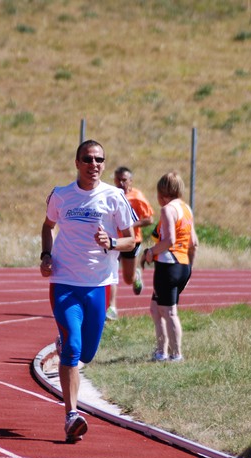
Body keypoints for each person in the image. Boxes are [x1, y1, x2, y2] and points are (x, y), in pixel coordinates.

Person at [40, 140, 136, 442]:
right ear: (77, 162)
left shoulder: (114, 196)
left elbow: (131, 240)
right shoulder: (61, 195)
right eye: (87, 159)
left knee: (88, 353)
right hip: (65, 282)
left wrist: (111, 242)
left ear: (104, 164)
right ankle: (71, 415)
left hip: (99, 285)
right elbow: (47, 226)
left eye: (99, 160)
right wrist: (46, 256)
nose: (93, 165)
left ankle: (65, 342)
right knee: (73, 347)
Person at [141, 171, 198, 362]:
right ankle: (161, 351)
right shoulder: (186, 208)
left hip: (168, 265)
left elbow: (169, 240)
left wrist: (151, 252)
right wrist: (189, 269)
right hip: (182, 265)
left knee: (169, 312)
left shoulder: (167, 210)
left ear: (162, 194)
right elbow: (194, 243)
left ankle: (176, 354)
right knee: (156, 308)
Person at [106, 166, 154, 321]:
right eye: (118, 179)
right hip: (112, 240)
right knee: (110, 272)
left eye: (124, 180)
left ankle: (136, 276)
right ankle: (112, 307)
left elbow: (149, 219)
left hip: (131, 241)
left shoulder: (137, 197)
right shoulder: (110, 194)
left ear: (130, 181)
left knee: (127, 278)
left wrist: (130, 225)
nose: (121, 182)